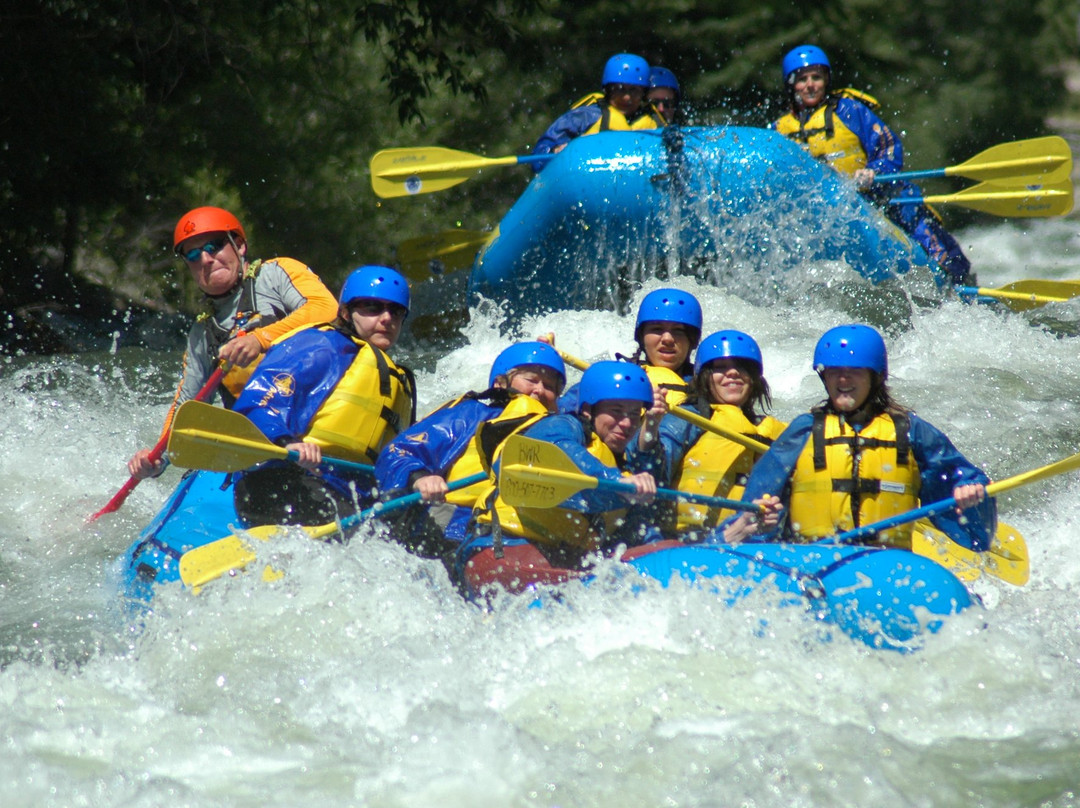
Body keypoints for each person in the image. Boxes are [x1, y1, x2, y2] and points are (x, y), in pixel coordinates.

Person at [720, 324, 995, 550]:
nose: (843, 380)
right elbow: (755, 503)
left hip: (886, 561)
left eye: (854, 372)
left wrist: (971, 493)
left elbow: (971, 515)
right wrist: (751, 521)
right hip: (813, 558)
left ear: (875, 378)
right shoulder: (803, 430)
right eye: (835, 372)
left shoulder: (911, 431)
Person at [127, 206, 338, 480]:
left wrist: (260, 339)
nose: (206, 259)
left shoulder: (276, 274)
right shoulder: (202, 333)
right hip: (261, 442)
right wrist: (158, 459)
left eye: (214, 247)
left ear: (239, 245)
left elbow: (327, 309)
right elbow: (188, 404)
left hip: (316, 414)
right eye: (193, 254)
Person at [229, 265, 417, 527]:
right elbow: (258, 405)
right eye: (372, 307)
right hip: (285, 483)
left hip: (350, 496)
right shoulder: (320, 346)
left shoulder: (397, 378)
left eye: (395, 311)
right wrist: (286, 442)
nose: (386, 318)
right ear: (345, 312)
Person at [770, 45, 973, 284]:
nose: (810, 85)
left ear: (827, 79)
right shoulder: (778, 130)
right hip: (827, 213)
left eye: (817, 77)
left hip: (877, 195)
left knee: (911, 210)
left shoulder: (848, 110)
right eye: (802, 79)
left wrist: (874, 171)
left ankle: (956, 278)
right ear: (791, 85)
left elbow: (888, 146)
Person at [458, 360, 668, 584]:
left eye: (635, 414)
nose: (627, 423)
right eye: (616, 411)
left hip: (556, 558)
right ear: (588, 410)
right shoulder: (563, 425)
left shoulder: (624, 468)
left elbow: (641, 530)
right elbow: (557, 450)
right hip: (501, 547)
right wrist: (616, 483)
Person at [374, 341, 566, 560]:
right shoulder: (472, 413)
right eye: (531, 380)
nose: (540, 390)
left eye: (550, 386)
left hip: (516, 534)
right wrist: (420, 477)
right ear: (500, 383)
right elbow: (398, 451)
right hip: (453, 525)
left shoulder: (560, 432)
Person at [658, 330, 788, 540]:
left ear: (754, 379)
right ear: (705, 378)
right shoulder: (688, 419)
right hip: (688, 541)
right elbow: (655, 467)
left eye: (741, 367)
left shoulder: (774, 431)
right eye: (720, 368)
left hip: (753, 544)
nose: (733, 373)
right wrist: (649, 430)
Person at [531, 53, 666, 168]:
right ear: (608, 90)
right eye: (619, 89)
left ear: (644, 94)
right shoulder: (586, 116)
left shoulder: (654, 122)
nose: (626, 97)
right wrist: (554, 150)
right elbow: (540, 155)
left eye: (634, 91)